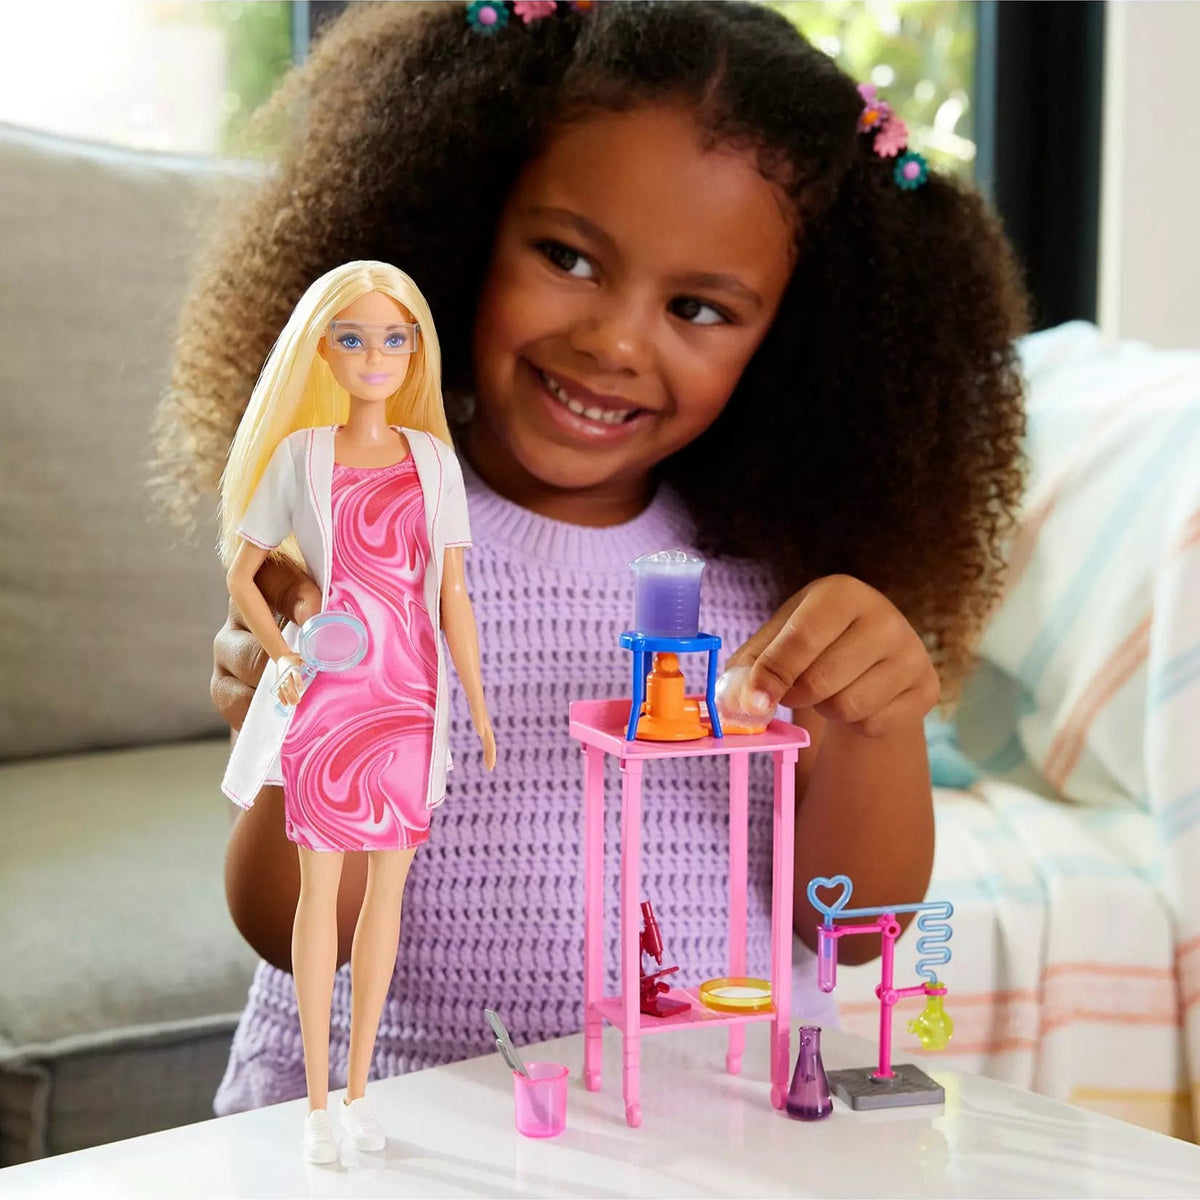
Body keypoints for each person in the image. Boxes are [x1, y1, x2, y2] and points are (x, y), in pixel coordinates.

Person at [154, 1, 1027, 1116]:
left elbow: (857, 924)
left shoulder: (797, 582)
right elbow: (289, 933)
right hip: (394, 1133)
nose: (614, 341)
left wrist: (878, 716)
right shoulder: (358, 531)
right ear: (467, 224)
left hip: (709, 1141)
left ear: (800, 342)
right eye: (567, 255)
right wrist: (312, 722)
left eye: (701, 307)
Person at [219, 260, 495, 1158]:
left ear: (416, 350)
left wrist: (478, 707)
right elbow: (243, 571)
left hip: (409, 693)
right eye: (352, 338)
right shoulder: (300, 456)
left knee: (387, 898)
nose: (374, 354)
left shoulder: (437, 463)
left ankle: (361, 1094)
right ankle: (312, 1103)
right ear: (323, 353)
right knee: (319, 896)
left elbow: (452, 595)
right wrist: (289, 652)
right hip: (331, 692)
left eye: (393, 337)